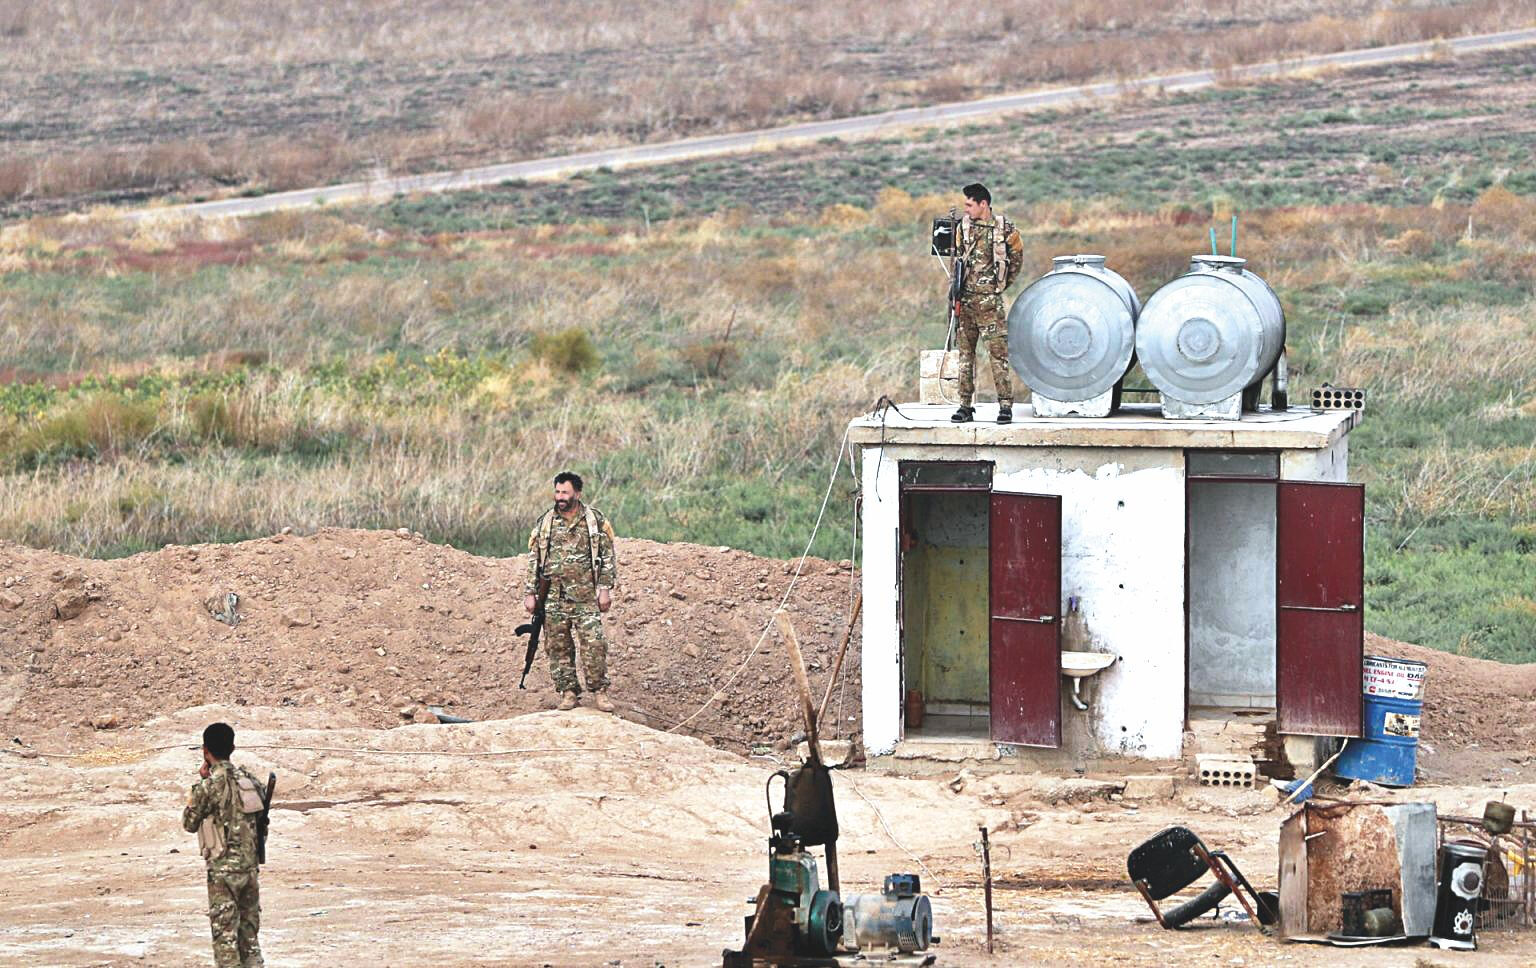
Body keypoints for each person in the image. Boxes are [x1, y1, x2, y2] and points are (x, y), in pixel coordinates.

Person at [524, 471, 619, 712]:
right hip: (553, 598)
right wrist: (530, 593)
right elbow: (534, 559)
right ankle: (568, 692)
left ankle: (599, 691)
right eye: (557, 492)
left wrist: (605, 589)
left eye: (565, 492)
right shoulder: (545, 522)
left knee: (594, 644)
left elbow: (607, 556)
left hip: (585, 598)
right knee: (558, 647)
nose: (560, 497)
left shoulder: (594, 521)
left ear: (577, 493)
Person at [181, 722, 266, 968]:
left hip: (222, 874)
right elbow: (260, 820)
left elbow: (189, 822)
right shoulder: (249, 781)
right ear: (233, 747)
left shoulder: (208, 787)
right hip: (249, 869)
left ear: (205, 750)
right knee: (249, 936)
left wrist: (201, 781)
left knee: (225, 938)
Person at [950, 182, 1024, 424]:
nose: (966, 209)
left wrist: (998, 287)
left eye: (969, 205)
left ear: (984, 204)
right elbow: (958, 259)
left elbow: (1016, 261)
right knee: (965, 356)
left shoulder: (1004, 229)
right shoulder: (964, 227)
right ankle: (964, 405)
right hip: (966, 302)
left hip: (990, 304)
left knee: (998, 356)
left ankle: (1005, 406)